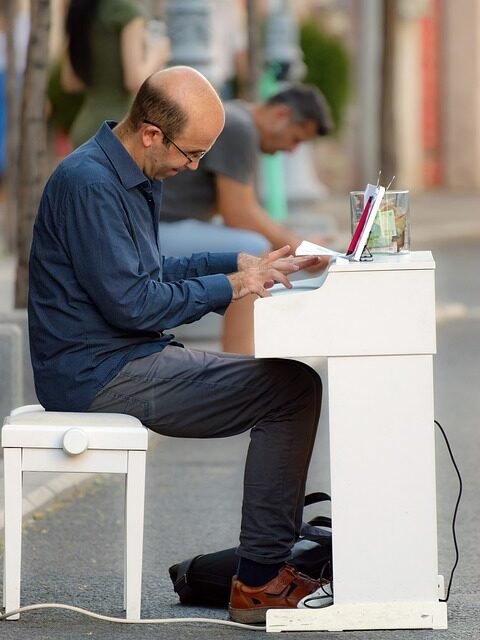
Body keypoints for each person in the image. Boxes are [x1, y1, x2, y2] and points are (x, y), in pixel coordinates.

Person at [28, 66, 330, 624]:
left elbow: (148, 269)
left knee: (291, 382)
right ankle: (262, 582)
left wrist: (238, 263)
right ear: (150, 133)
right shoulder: (90, 183)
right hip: (99, 373)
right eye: (190, 155)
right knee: (290, 389)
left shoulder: (126, 172)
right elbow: (135, 302)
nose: (191, 167)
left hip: (121, 357)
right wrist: (234, 287)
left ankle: (268, 568)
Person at [160, 84, 333, 354]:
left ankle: (242, 359)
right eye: (296, 139)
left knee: (254, 245)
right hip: (157, 232)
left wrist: (296, 242)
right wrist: (300, 247)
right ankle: (240, 364)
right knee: (253, 252)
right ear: (281, 115)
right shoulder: (240, 128)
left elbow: (244, 209)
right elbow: (238, 213)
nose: (290, 150)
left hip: (167, 226)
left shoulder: (238, 116)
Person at [62, 0, 170, 148]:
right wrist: (156, 55)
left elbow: (70, 83)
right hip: (119, 129)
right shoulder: (126, 12)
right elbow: (133, 81)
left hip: (84, 127)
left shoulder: (83, 7)